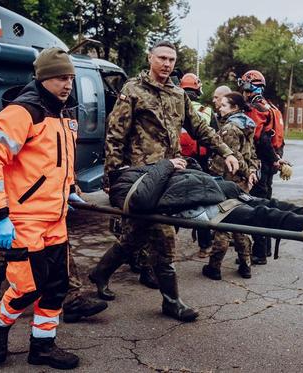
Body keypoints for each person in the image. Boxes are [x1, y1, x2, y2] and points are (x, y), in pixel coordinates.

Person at [88, 40, 240, 323]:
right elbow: (115, 135)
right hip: (141, 178)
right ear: (150, 58)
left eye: (171, 59)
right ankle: (171, 302)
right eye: (162, 58)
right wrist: (112, 179)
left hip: (171, 178)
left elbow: (201, 129)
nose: (167, 63)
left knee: (135, 237)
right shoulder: (133, 90)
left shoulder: (178, 94)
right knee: (161, 236)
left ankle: (101, 274)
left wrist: (227, 151)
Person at [0, 48, 82, 369]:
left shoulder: (61, 113)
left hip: (56, 219)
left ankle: (43, 348)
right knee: (25, 287)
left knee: (55, 288)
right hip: (24, 221)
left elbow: (57, 162)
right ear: (43, 78)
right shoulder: (24, 112)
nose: (68, 84)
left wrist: (70, 188)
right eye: (61, 78)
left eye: (71, 78)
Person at [106, 158, 303, 243]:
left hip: (219, 194)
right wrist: (166, 164)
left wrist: (183, 165)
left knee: (279, 207)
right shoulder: (122, 184)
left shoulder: (140, 171)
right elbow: (140, 201)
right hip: (207, 209)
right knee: (272, 218)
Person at [0, 238, 108, 324]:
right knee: (6, 247)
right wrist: (0, 216)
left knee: (60, 248)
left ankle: (72, 300)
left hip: (48, 207)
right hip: (18, 208)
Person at [203, 92, 260, 280]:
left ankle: (214, 266)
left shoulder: (230, 128)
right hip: (243, 183)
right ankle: (246, 265)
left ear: (234, 107)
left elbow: (234, 157)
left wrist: (246, 172)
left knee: (223, 223)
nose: (220, 107)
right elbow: (252, 155)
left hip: (229, 182)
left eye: (224, 105)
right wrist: (252, 172)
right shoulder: (248, 124)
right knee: (241, 223)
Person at [239, 70, 286, 265]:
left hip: (261, 162)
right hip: (271, 161)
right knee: (265, 202)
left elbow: (260, 138)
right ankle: (265, 249)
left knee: (257, 206)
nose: (243, 91)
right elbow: (278, 139)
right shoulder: (272, 106)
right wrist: (277, 158)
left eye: (245, 87)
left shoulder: (256, 108)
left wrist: (272, 159)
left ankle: (258, 252)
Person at [178, 73, 215, 258]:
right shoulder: (206, 111)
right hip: (200, 164)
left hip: (177, 162)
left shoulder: (174, 106)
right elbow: (214, 136)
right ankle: (205, 245)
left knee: (172, 200)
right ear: (197, 89)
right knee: (202, 202)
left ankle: (166, 245)